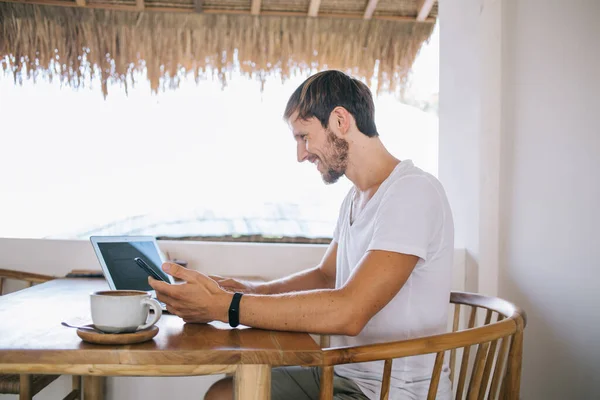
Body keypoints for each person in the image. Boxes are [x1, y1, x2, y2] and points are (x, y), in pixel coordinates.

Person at [149, 70, 454, 400]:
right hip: (343, 373)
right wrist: (253, 290)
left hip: (391, 392)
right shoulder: (356, 198)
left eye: (304, 137)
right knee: (224, 394)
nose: (301, 154)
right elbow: (326, 275)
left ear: (339, 120)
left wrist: (227, 307)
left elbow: (350, 311)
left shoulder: (412, 192)